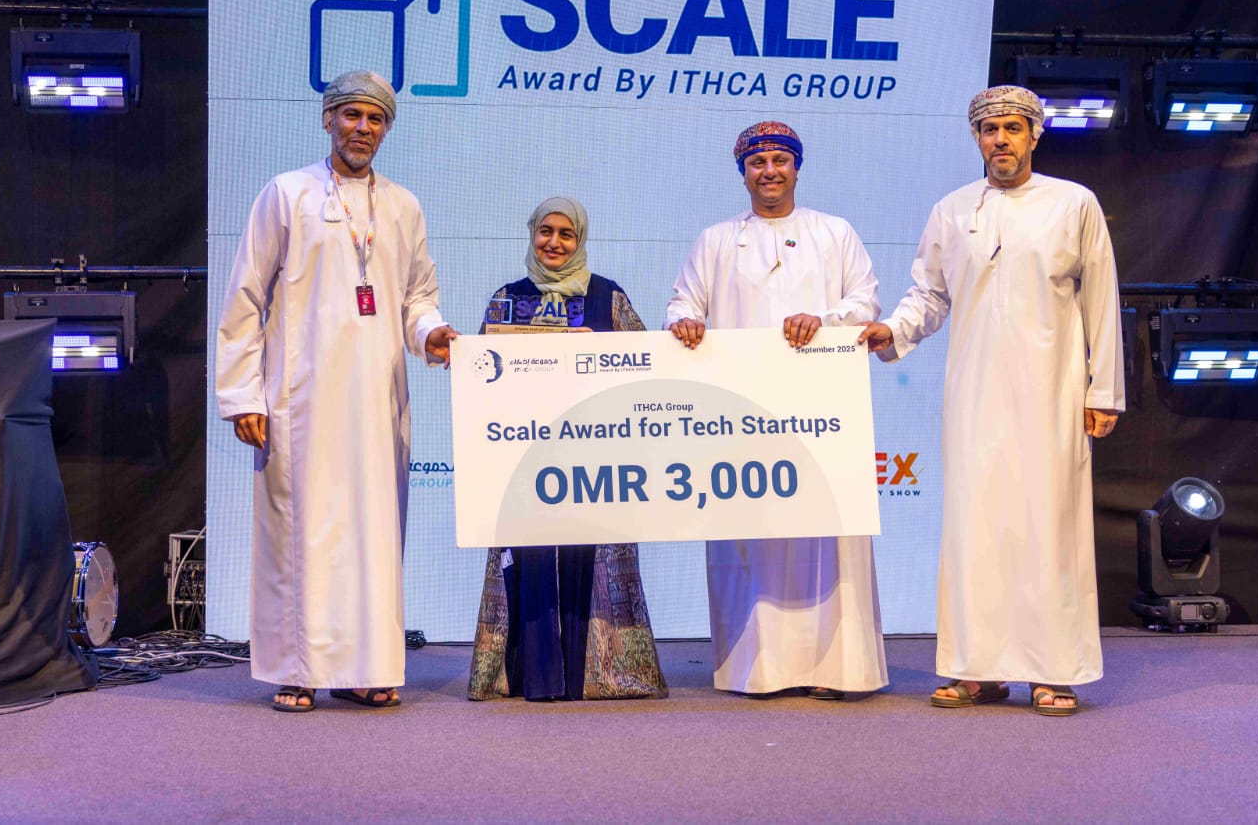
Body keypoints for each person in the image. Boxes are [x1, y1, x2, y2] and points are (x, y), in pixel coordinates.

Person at [858, 85, 1124, 717]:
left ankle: (1052, 670)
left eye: (1011, 128)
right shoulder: (952, 210)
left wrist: (1104, 389)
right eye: (989, 129)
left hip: (1052, 391)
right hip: (974, 392)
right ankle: (978, 669)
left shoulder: (1073, 203)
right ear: (976, 139)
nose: (1000, 139)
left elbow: (1101, 297)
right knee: (974, 527)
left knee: (1048, 526)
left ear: (1035, 135)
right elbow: (929, 294)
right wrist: (894, 331)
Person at [215, 69, 458, 713]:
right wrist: (243, 396)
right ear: (328, 120)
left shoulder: (403, 205)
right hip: (300, 399)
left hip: (377, 401)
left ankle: (364, 666)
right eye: (352, 115)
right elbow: (244, 298)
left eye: (376, 119)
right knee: (302, 534)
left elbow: (418, 297)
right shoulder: (287, 193)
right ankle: (297, 670)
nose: (363, 128)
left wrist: (431, 334)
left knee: (371, 537)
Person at [665, 121, 889, 700]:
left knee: (827, 530)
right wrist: (684, 323)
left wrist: (825, 320)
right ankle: (757, 670)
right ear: (743, 173)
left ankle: (838, 670)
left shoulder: (834, 232)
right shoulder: (716, 240)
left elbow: (865, 300)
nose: (769, 171)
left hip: (822, 413)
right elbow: (684, 302)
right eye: (757, 162)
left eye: (780, 160)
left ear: (797, 167)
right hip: (742, 416)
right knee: (752, 534)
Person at [467, 196, 668, 702]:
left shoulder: (608, 298)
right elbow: (480, 378)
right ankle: (528, 676)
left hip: (594, 459)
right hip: (524, 458)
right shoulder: (506, 300)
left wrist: (599, 354)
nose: (554, 243)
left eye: (566, 234)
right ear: (532, 234)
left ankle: (595, 676)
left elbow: (647, 368)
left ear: (580, 239)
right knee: (528, 557)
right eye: (546, 232)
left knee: (592, 556)